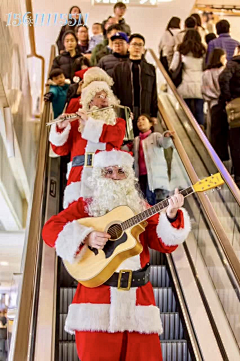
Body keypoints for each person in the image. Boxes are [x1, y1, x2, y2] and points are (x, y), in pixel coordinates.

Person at [42, 149, 191, 361]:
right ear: (99, 175)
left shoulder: (141, 208)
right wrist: (86, 236)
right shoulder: (86, 207)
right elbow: (49, 229)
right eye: (108, 171)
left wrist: (172, 215)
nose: (114, 176)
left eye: (120, 171)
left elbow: (164, 243)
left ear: (129, 175)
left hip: (139, 305)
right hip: (95, 305)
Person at [49, 68, 126, 209]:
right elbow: (60, 150)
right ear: (89, 100)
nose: (104, 100)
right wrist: (61, 128)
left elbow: (115, 137)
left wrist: (89, 124)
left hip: (107, 177)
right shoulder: (76, 118)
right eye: (98, 96)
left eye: (106, 95)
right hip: (78, 178)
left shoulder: (118, 122)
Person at [112, 33, 158, 136]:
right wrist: (118, 111)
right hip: (126, 110)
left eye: (140, 45)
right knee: (127, 140)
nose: (137, 47)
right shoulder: (119, 68)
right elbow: (114, 92)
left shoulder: (150, 68)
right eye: (134, 44)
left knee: (144, 142)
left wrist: (154, 114)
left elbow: (154, 92)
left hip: (145, 111)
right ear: (128, 47)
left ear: (143, 49)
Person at [127, 114, 174, 205]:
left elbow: (164, 144)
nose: (140, 122)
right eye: (138, 121)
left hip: (153, 175)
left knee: (151, 199)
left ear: (151, 124)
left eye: (143, 119)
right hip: (140, 177)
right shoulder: (136, 140)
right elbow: (125, 148)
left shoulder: (155, 136)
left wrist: (166, 136)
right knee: (143, 200)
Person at [170, 30, 206, 127]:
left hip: (184, 84)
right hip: (199, 85)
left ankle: (187, 131)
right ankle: (201, 132)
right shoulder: (202, 50)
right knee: (199, 110)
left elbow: (173, 67)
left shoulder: (181, 49)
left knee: (186, 112)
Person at [219, 45, 240, 188]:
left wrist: (228, 98)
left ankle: (238, 175)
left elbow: (223, 78)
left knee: (236, 142)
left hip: (236, 108)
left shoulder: (234, 63)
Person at [202, 48, 228, 158]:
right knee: (227, 133)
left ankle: (217, 160)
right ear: (221, 58)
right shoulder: (225, 71)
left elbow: (204, 91)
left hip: (213, 105)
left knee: (216, 134)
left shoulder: (206, 73)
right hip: (226, 104)